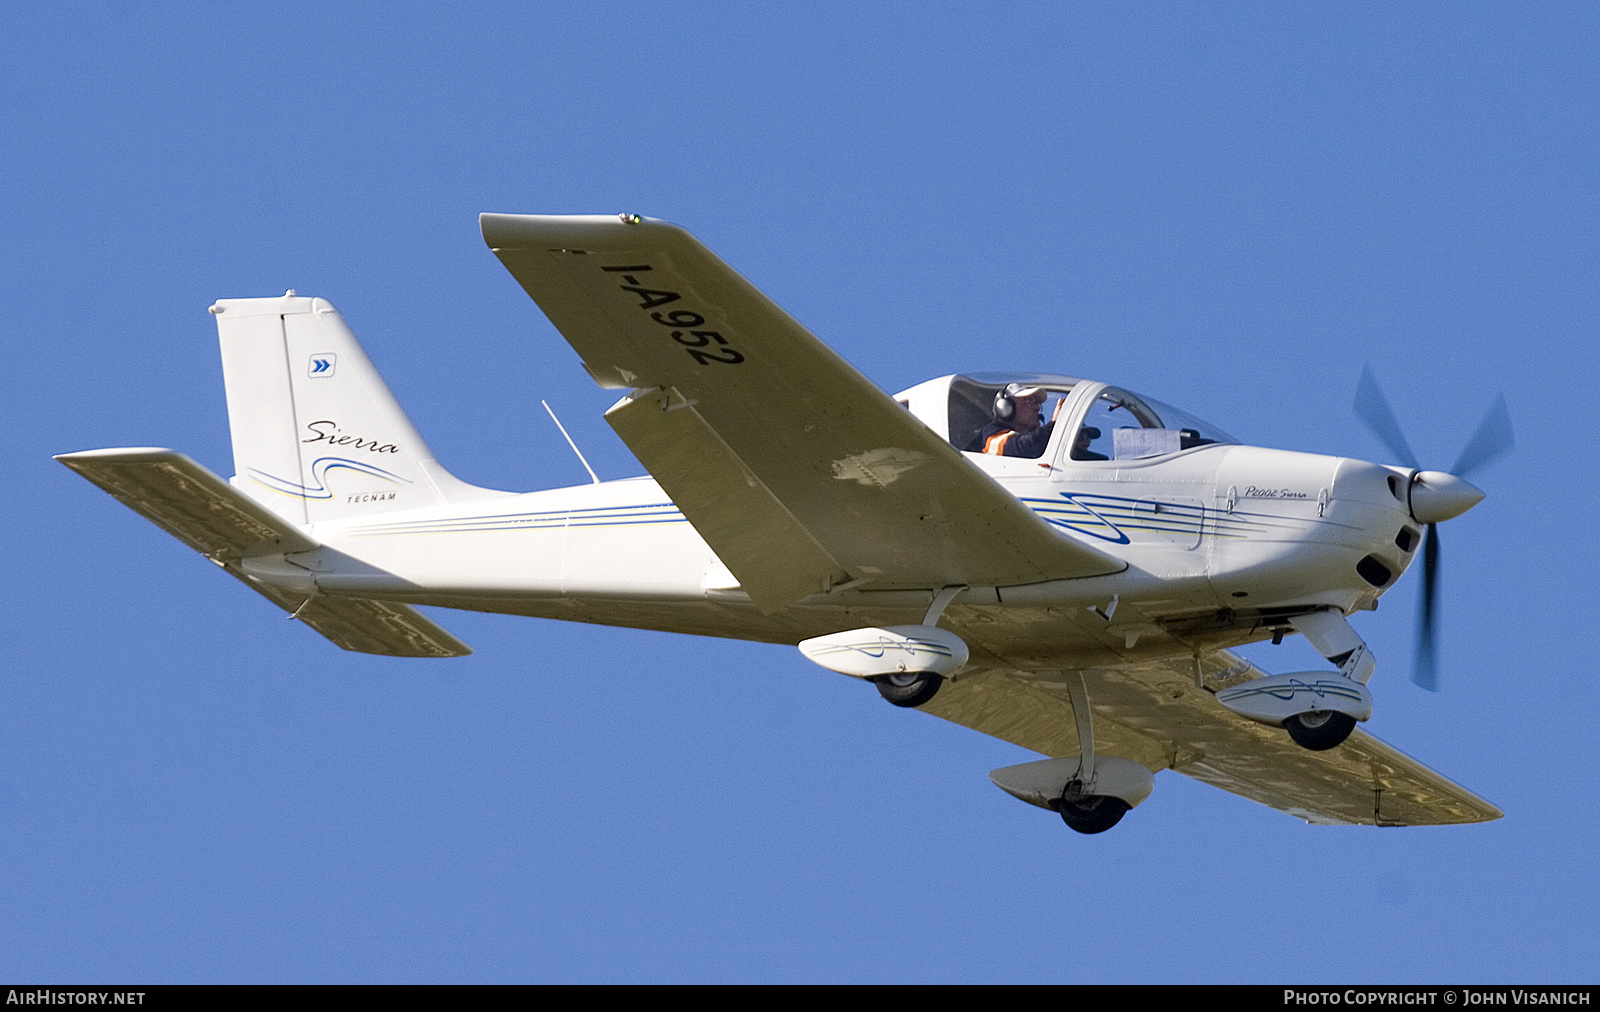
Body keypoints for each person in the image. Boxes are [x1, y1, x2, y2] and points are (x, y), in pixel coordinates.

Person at [978, 383, 1054, 458]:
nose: (1037, 408)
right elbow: (1015, 448)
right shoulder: (992, 432)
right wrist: (1053, 424)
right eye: (1029, 401)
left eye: (1037, 403)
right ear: (1006, 407)